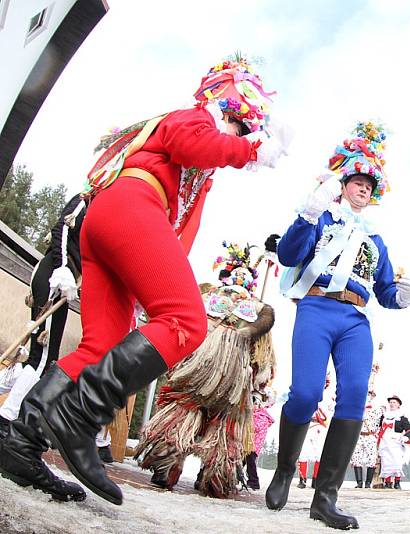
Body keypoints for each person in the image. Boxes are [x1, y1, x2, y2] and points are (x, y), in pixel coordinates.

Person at [0, 55, 289, 505]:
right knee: (187, 322)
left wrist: (149, 281)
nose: (239, 137)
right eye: (239, 126)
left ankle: (22, 442)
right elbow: (195, 144)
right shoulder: (192, 119)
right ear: (227, 111)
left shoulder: (197, 175)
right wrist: (251, 150)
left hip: (113, 222)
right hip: (132, 204)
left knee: (101, 346)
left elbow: (181, 235)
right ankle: (80, 416)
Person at [264, 122, 410, 530]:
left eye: (370, 183)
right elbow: (289, 254)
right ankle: (284, 470)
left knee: (353, 397)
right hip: (316, 309)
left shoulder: (376, 240)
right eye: (358, 180)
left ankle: (326, 497)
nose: (364, 188)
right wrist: (306, 215)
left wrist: (402, 295)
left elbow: (383, 290)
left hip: (355, 320)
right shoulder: (321, 216)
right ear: (344, 182)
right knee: (306, 393)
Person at [134, 242, 277, 498]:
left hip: (197, 367)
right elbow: (262, 359)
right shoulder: (256, 308)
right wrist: (259, 379)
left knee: (183, 410)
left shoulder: (205, 297)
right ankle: (215, 479)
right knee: (225, 426)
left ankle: (168, 465)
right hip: (232, 377)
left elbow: (182, 325)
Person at [0, 194, 86, 439]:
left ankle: (8, 411)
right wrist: (62, 268)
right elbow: (61, 228)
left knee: (41, 358)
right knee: (43, 356)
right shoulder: (85, 200)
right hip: (56, 275)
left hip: (64, 278)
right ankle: (7, 416)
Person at [377, 395, 410, 490]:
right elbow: (379, 427)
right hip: (385, 441)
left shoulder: (402, 417)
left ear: (398, 405)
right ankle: (388, 482)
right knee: (386, 462)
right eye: (390, 402)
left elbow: (409, 430)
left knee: (397, 462)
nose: (392, 404)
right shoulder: (384, 416)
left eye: (394, 402)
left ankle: (397, 482)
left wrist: (406, 437)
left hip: (396, 442)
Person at [351, 389, 382, 488]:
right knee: (356, 458)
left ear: (373, 396)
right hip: (359, 435)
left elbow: (381, 422)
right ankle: (359, 482)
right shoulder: (357, 406)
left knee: (371, 459)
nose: (368, 396)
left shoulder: (377, 409)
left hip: (370, 435)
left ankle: (368, 483)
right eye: (367, 394)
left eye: (370, 394)